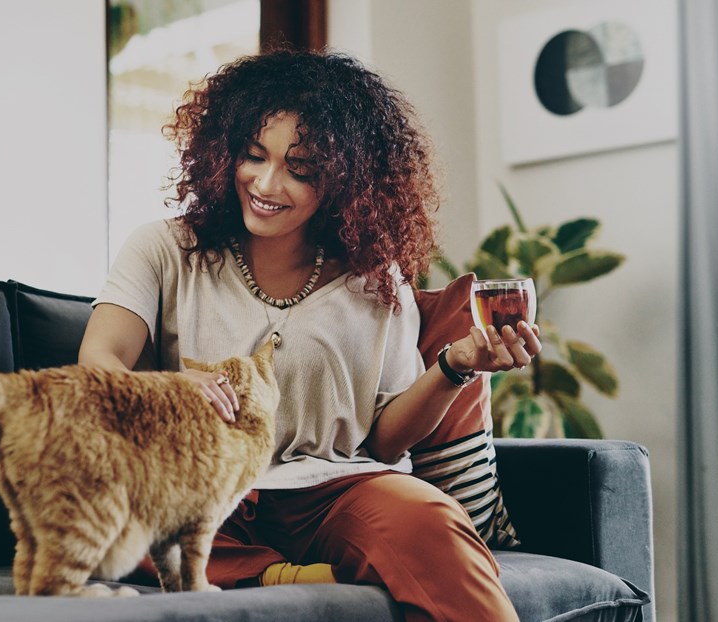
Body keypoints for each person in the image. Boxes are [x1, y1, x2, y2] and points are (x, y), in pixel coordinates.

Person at [78, 49, 541, 621]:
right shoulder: (165, 248)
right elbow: (99, 359)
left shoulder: (378, 281)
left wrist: (454, 365)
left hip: (336, 491)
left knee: (430, 518)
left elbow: (385, 443)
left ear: (346, 181)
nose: (266, 183)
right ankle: (278, 576)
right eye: (254, 156)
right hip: (205, 485)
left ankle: (269, 570)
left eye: (300, 170)